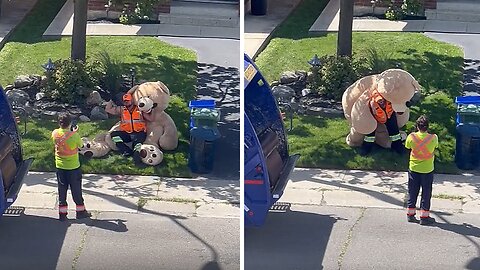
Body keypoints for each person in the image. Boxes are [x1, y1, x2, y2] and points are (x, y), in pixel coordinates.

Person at [52, 113, 91, 221]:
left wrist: (70, 132)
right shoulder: (74, 136)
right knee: (76, 190)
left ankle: (62, 214)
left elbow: (62, 138)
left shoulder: (55, 133)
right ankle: (80, 212)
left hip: (60, 167)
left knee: (62, 190)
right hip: (73, 168)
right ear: (70, 123)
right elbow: (81, 146)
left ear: (59, 123)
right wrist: (74, 133)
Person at [405, 115, 438, 225]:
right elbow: (434, 148)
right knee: (426, 193)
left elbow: (407, 147)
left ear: (417, 126)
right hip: (427, 170)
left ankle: (410, 214)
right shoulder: (433, 138)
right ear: (427, 126)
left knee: (412, 191)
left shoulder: (411, 137)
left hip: (414, 168)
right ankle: (424, 217)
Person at [105, 93, 152, 161]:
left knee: (137, 144)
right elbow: (108, 109)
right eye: (125, 101)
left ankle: (137, 153)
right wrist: (111, 100)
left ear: (132, 100)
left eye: (128, 100)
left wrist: (149, 109)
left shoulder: (140, 108)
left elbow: (150, 118)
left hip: (139, 132)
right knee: (114, 135)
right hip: (127, 134)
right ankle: (126, 151)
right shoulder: (121, 109)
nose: (126, 102)